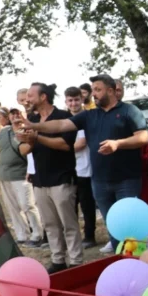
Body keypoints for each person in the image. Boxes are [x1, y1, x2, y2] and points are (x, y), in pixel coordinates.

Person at [22, 74, 148, 253]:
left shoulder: (129, 111)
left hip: (126, 179)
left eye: (98, 90)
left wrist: (117, 144)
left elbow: (143, 137)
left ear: (111, 91)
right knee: (111, 224)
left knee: (129, 223)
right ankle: (120, 258)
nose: (93, 94)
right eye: (93, 90)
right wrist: (33, 126)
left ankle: (138, 257)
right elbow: (60, 125)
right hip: (100, 181)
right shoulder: (88, 115)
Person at [18, 83, 83, 272]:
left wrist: (37, 137)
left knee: (68, 223)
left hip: (62, 178)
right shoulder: (31, 118)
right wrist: (29, 141)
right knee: (50, 224)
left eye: (31, 95)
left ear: (43, 97)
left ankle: (76, 261)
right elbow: (23, 149)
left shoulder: (64, 117)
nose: (28, 99)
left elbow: (65, 145)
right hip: (39, 180)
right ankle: (58, 260)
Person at [0, 108, 44, 248]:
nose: (15, 116)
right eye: (12, 114)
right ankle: (22, 235)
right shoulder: (4, 132)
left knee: (27, 205)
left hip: (22, 175)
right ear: (9, 117)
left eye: (18, 113)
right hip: (5, 176)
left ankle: (37, 234)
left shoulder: (29, 132)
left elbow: (27, 151)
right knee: (13, 208)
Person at [64, 87, 98, 248]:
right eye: (70, 100)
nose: (73, 103)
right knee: (70, 207)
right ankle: (73, 237)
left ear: (81, 100)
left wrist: (63, 148)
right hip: (68, 169)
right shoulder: (64, 120)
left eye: (76, 99)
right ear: (66, 102)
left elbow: (81, 143)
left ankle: (89, 236)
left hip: (85, 169)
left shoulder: (87, 118)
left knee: (87, 205)